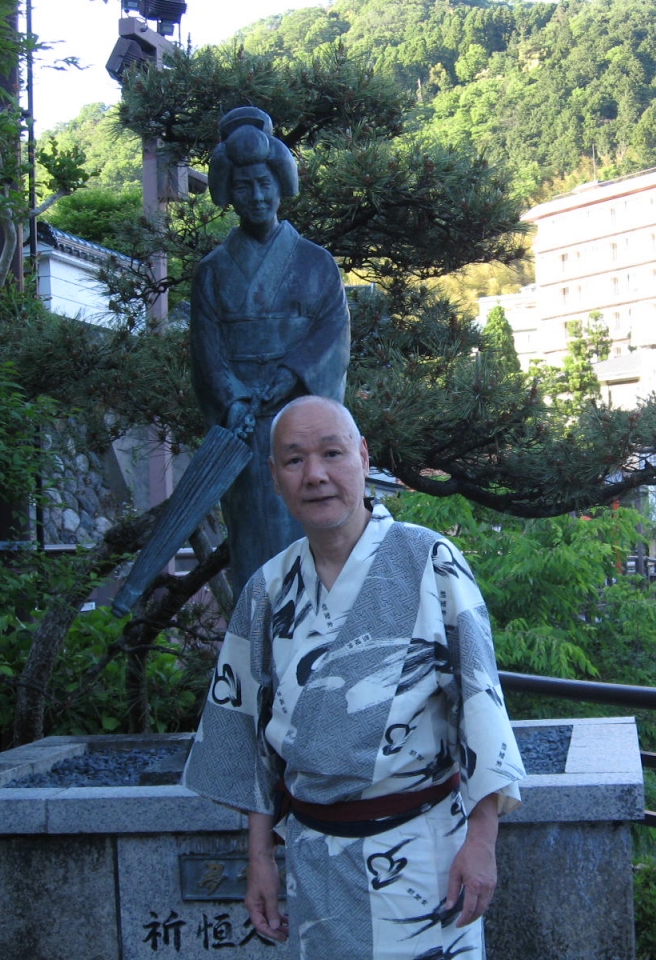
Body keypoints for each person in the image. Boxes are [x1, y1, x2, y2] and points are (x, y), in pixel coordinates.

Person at [183, 396, 526, 959]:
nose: (315, 475)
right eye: (294, 460)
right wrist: (260, 858)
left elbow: (480, 705)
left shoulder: (429, 561)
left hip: (425, 856)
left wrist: (482, 841)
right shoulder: (267, 590)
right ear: (274, 476)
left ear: (363, 457)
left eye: (332, 453)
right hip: (315, 859)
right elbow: (245, 735)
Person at [191, 106, 351, 595]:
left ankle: (317, 629)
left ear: (281, 184)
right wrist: (232, 399)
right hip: (243, 422)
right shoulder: (213, 270)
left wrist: (291, 374)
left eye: (264, 184)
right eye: (244, 187)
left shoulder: (316, 263)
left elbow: (332, 331)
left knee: (313, 519)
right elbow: (207, 349)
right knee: (253, 534)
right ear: (228, 193)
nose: (257, 197)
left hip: (300, 416)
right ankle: (258, 633)